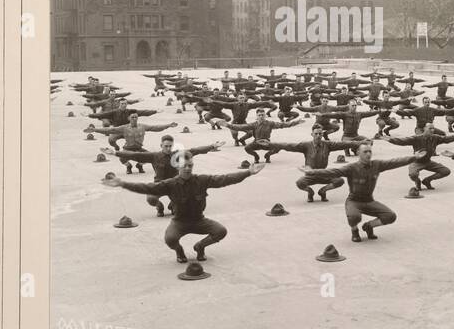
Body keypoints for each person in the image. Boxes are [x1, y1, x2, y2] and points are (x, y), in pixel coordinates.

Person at [104, 154, 264, 263]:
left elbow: (225, 179)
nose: (188, 168)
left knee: (220, 231)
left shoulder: (202, 180)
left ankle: (200, 247)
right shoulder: (170, 184)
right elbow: (147, 187)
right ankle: (179, 252)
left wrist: (247, 173)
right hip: (179, 222)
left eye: (190, 165)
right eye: (184, 166)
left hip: (199, 220)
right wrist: (123, 183)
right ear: (178, 168)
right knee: (170, 239)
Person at [299, 139, 418, 242]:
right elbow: (333, 171)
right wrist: (312, 172)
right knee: (354, 217)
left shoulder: (377, 165)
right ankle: (354, 231)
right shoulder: (352, 168)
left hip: (369, 201)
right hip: (354, 202)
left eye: (370, 151)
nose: (368, 154)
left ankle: (368, 226)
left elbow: (395, 162)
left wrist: (414, 157)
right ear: (358, 153)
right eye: (365, 152)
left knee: (390, 216)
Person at [115, 135, 225, 215]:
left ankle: (173, 204)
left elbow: (195, 150)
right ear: (161, 145)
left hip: (175, 185)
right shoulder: (154, 156)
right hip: (160, 184)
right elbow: (135, 155)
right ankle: (160, 207)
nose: (168, 148)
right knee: (151, 199)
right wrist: (116, 153)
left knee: (179, 209)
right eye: (166, 146)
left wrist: (212, 146)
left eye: (170, 146)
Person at [267, 124, 358, 202]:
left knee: (339, 181)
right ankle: (310, 193)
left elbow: (344, 144)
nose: (318, 136)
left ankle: (323, 191)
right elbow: (288, 145)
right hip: (310, 175)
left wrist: (360, 143)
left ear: (322, 134)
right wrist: (270, 144)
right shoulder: (306, 145)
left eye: (320, 134)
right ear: (312, 134)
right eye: (316, 134)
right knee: (300, 183)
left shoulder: (327, 145)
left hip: (323, 173)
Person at [386, 124, 454, 193]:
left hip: (428, 162)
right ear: (424, 129)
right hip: (416, 162)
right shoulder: (416, 138)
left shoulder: (435, 138)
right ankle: (417, 182)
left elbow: (447, 139)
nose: (432, 130)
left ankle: (427, 180)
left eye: (433, 128)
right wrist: (389, 139)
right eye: (430, 128)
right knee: (413, 174)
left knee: (445, 171)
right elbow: (402, 141)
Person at [227, 109, 304, 162]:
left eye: (262, 115)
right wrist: (227, 125)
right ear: (257, 116)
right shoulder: (254, 124)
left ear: (265, 116)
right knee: (247, 148)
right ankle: (256, 157)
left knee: (278, 147)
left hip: (267, 142)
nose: (261, 116)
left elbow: (283, 125)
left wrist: (296, 122)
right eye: (259, 115)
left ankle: (267, 155)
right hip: (256, 142)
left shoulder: (270, 123)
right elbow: (240, 127)